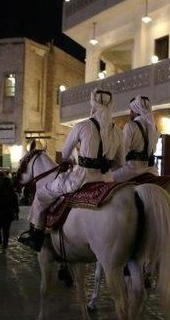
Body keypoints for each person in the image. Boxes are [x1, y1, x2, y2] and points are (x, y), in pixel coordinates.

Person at [22, 88, 124, 251]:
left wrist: (76, 158)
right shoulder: (118, 132)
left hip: (82, 178)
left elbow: (65, 153)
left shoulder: (82, 126)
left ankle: (37, 236)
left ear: (93, 104)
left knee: (42, 194)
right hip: (107, 180)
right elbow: (120, 162)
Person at [113, 95, 159, 182]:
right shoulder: (154, 127)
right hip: (152, 170)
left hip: (132, 170)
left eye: (131, 110)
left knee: (108, 178)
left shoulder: (130, 126)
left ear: (135, 111)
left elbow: (123, 151)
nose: (130, 112)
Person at [0, 174, 19, 252]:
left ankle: (0, 243)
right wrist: (17, 212)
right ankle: (5, 245)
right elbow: (16, 205)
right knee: (6, 230)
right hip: (9, 213)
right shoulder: (13, 193)